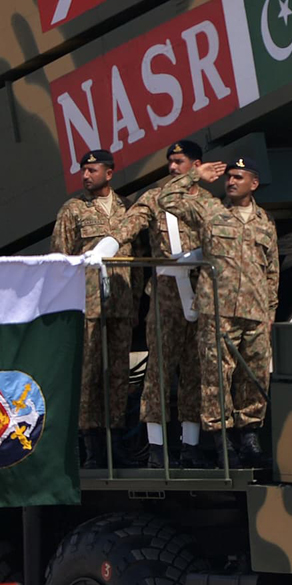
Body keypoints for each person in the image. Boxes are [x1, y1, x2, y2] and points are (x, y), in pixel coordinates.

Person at [158, 156, 279, 468]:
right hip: (217, 311)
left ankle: (250, 438)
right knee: (216, 378)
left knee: (253, 376)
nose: (231, 181)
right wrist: (194, 175)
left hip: (254, 312)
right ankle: (222, 443)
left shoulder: (265, 221)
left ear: (254, 183)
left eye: (239, 177)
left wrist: (270, 313)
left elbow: (272, 272)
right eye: (229, 176)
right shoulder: (210, 210)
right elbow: (166, 198)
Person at [116, 140, 218, 469]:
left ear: (196, 165)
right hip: (165, 296)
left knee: (195, 371)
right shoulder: (155, 198)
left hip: (200, 293)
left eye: (179, 162)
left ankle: (190, 446)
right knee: (159, 370)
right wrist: (109, 243)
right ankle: (157, 449)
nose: (172, 167)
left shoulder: (208, 203)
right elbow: (129, 225)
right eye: (170, 162)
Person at [51, 149, 136, 468]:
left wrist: (135, 301)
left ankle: (116, 442)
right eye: (83, 170)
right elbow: (60, 261)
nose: (85, 176)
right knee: (88, 375)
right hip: (87, 306)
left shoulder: (127, 208)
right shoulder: (73, 210)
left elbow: (137, 258)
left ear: (109, 173)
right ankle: (91, 445)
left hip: (121, 304)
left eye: (92, 170)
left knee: (118, 374)